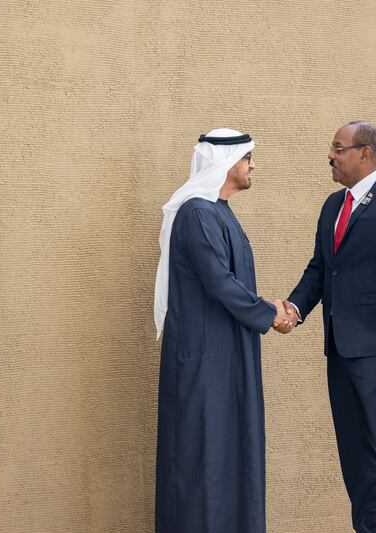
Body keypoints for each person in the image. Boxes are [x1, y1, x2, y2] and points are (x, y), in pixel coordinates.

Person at [278, 121, 376, 532]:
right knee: (358, 462)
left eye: (338, 148)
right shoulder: (332, 205)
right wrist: (294, 308)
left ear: (366, 153)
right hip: (340, 354)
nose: (331, 155)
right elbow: (321, 270)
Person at [153, 129, 290, 532]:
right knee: (203, 462)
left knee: (231, 457)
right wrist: (269, 313)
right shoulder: (197, 213)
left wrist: (268, 308)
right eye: (248, 158)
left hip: (227, 358)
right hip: (204, 363)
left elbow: (231, 286)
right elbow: (219, 282)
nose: (253, 166)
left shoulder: (218, 211)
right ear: (227, 162)